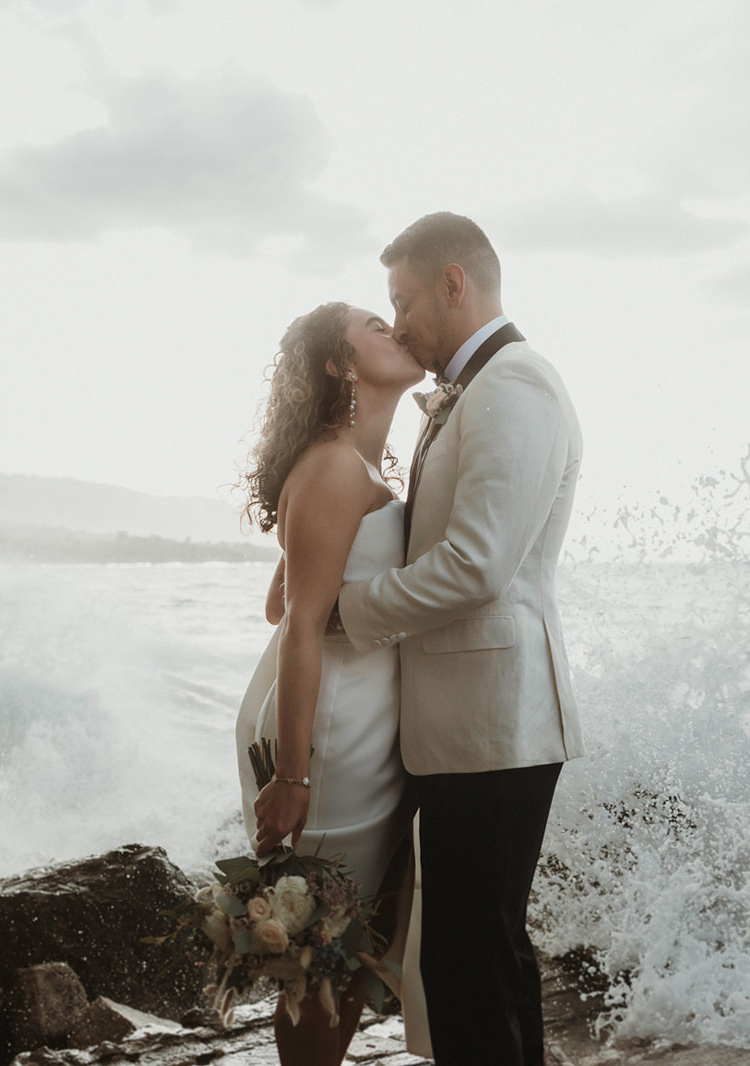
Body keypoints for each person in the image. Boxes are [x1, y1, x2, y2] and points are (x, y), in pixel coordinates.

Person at [336, 212, 584, 1066]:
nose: (397, 321)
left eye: (403, 299)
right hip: (469, 729)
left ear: (454, 284)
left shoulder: (515, 385)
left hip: (497, 724)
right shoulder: (473, 391)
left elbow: (477, 565)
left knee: (470, 964)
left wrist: (351, 610)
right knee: (479, 959)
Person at [236, 301, 428, 1065]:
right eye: (374, 328)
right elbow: (299, 625)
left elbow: (281, 602)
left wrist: (343, 606)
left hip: (358, 723)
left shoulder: (347, 465)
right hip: (331, 735)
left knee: (339, 942)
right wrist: (291, 772)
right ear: (341, 367)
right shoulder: (332, 466)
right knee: (318, 951)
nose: (394, 329)